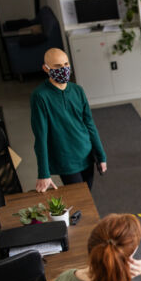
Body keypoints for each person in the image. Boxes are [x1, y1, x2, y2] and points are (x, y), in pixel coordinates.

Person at [31, 47, 107, 192]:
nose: (64, 69)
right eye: (58, 66)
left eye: (66, 64)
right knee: (79, 197)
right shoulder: (40, 96)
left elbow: (89, 124)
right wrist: (43, 173)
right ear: (46, 69)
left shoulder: (78, 90)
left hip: (86, 153)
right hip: (65, 159)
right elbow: (40, 136)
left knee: (87, 196)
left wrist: (101, 155)